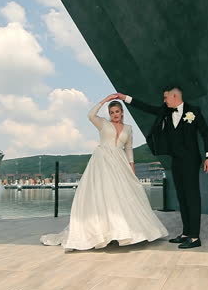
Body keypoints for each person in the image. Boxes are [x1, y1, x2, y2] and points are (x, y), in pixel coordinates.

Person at [40, 94, 168, 250]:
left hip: (120, 162)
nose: (114, 115)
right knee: (105, 193)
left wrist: (132, 168)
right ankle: (104, 233)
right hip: (102, 161)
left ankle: (124, 231)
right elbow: (90, 115)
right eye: (112, 112)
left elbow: (129, 149)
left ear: (122, 112)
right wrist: (104, 101)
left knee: (122, 195)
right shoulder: (102, 123)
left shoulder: (128, 128)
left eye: (117, 112)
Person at [115, 86, 208, 249]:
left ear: (175, 96)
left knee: (192, 197)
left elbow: (206, 133)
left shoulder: (193, 111)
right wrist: (125, 98)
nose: (164, 101)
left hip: (191, 160)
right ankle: (186, 233)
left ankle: (195, 237)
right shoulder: (166, 112)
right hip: (176, 160)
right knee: (181, 197)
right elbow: (147, 107)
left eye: (166, 98)